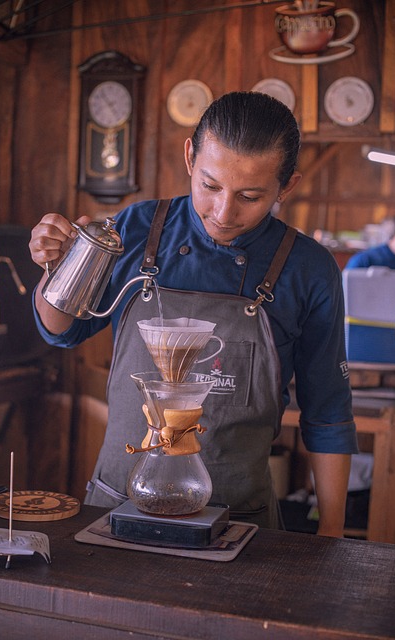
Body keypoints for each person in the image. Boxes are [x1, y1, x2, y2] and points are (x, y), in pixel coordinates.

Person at [29, 91, 357, 537]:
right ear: (189, 156)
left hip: (239, 522)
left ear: (288, 186)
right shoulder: (136, 229)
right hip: (116, 508)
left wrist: (332, 535)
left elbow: (328, 414)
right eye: (210, 185)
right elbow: (61, 331)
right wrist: (56, 267)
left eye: (251, 196)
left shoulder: (309, 269)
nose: (223, 212)